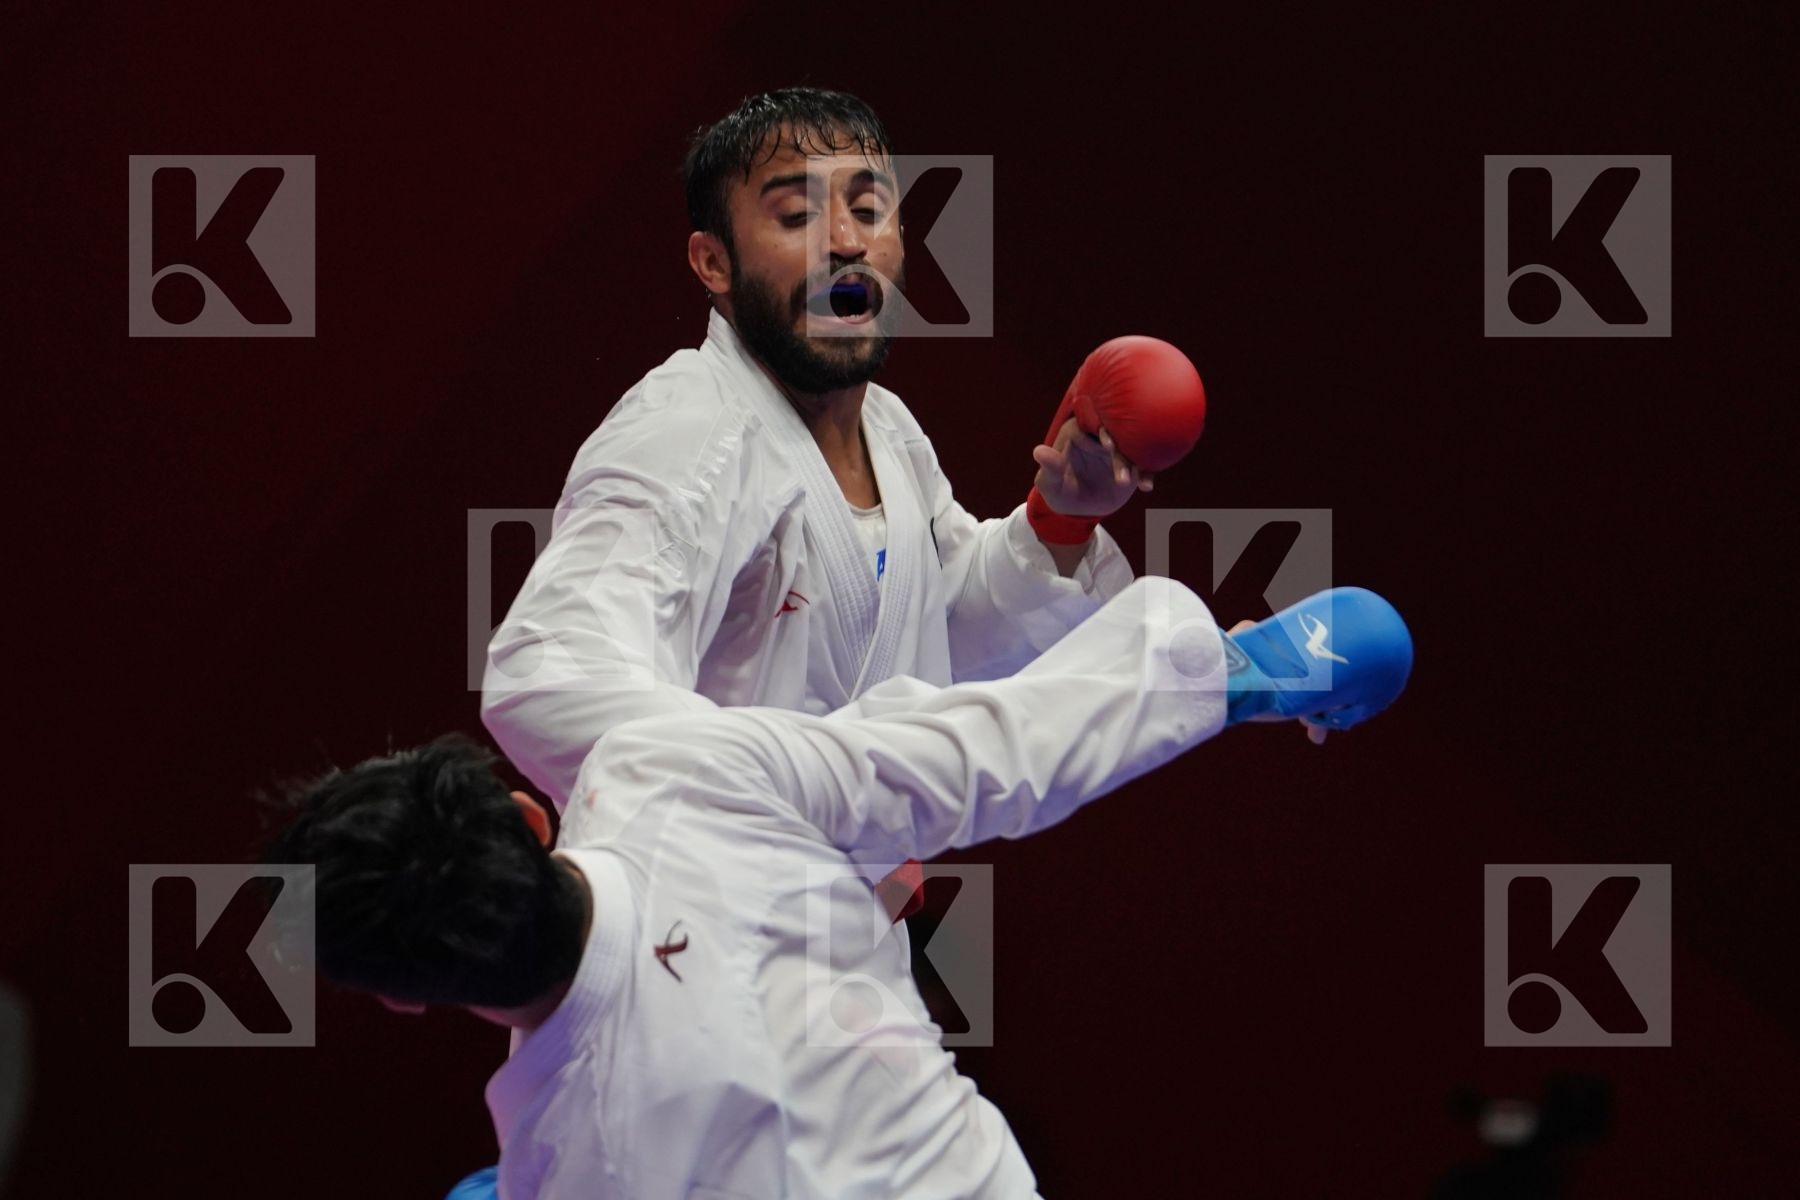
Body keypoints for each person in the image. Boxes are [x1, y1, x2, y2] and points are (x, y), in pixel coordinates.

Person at [268, 578, 1413, 1199]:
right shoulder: (669, 773)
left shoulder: (569, 1160)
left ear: (402, 998)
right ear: (529, 813)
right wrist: (1229, 675)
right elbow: (983, 750)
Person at [480, 86, 1172, 816]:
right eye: (796, 214)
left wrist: (1061, 514)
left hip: (846, 924)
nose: (846, 240)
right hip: (711, 917)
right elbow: (551, 673)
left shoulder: (891, 431)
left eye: (869, 211)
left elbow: (933, 636)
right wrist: (813, 801)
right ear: (713, 263)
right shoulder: (687, 429)